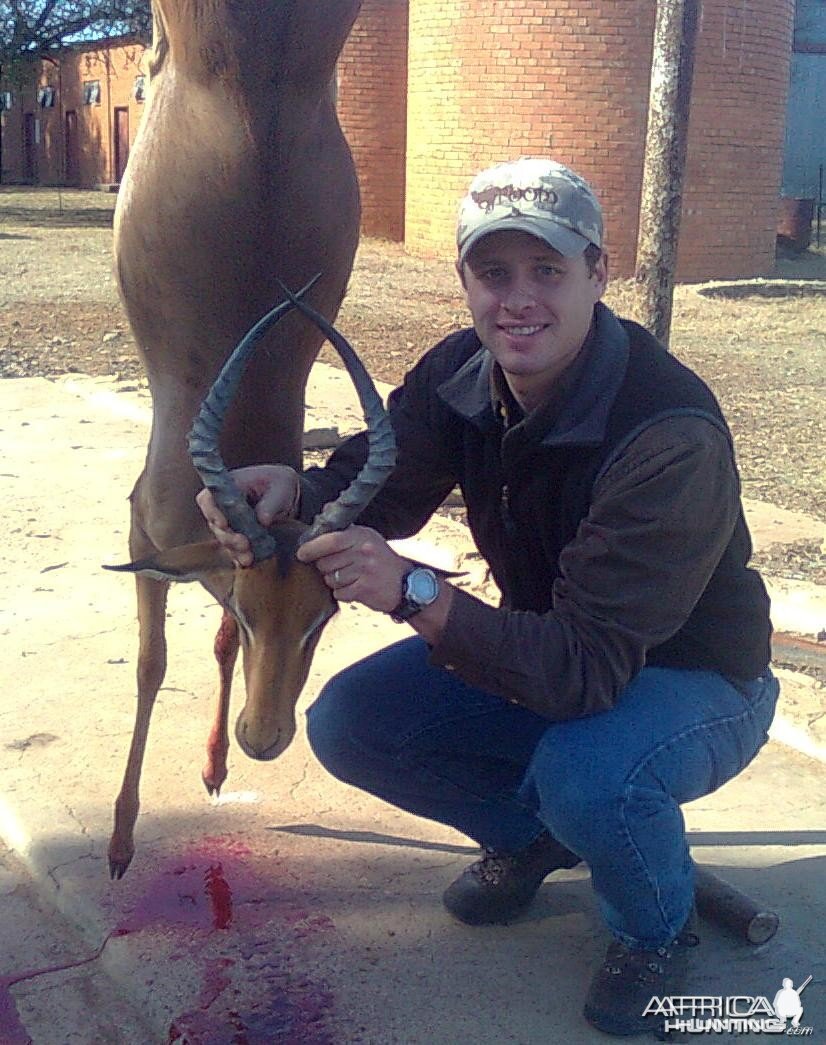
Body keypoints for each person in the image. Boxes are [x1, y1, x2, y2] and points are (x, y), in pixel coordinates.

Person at [197, 157, 778, 1037]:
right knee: (351, 722)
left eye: (547, 270)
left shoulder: (668, 433)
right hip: (551, 646)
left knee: (586, 771)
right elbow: (379, 483)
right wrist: (292, 492)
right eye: (493, 272)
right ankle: (531, 836)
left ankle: (656, 931)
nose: (519, 300)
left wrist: (415, 590)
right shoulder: (462, 372)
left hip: (693, 681)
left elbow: (584, 670)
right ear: (466, 278)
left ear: (597, 273)